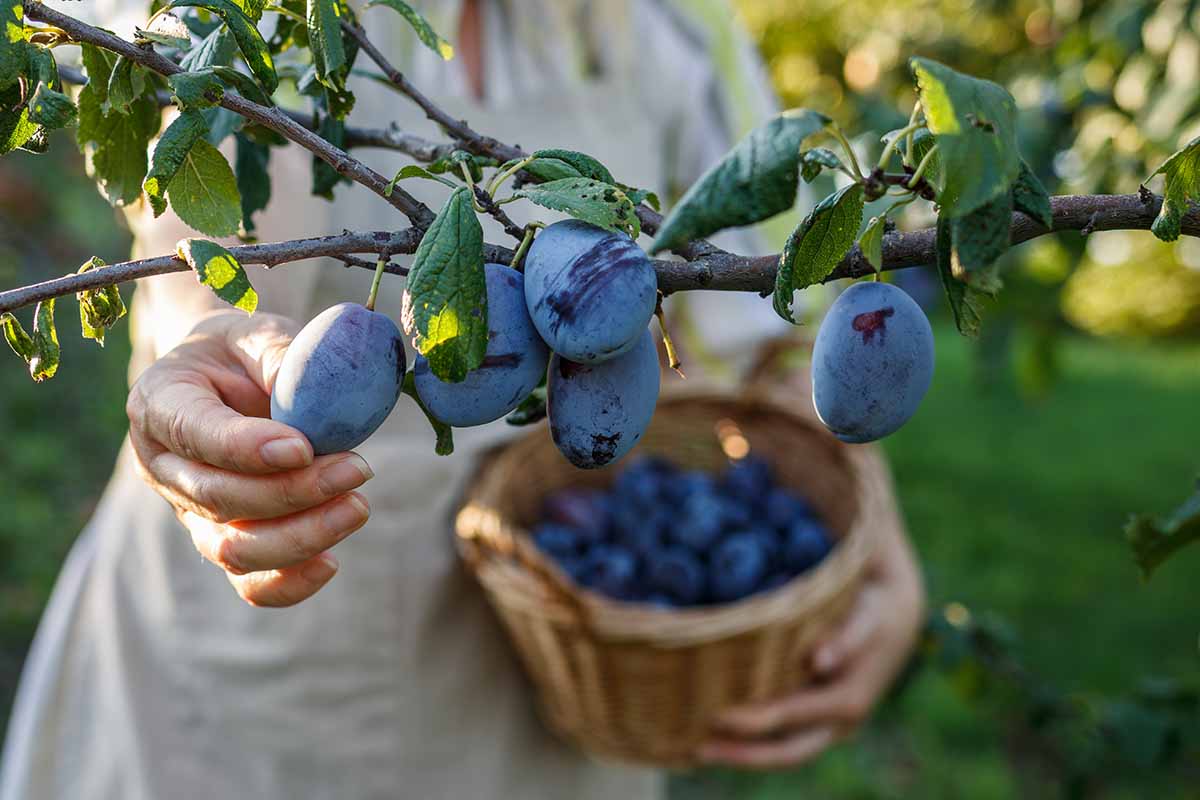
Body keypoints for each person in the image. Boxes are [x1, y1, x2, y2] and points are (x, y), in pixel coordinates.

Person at [0, 1, 925, 798]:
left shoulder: (669, 21)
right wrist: (205, 337)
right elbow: (205, 198)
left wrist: (871, 533)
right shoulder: (267, 14)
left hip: (560, 650)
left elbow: (783, 304)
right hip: (254, 665)